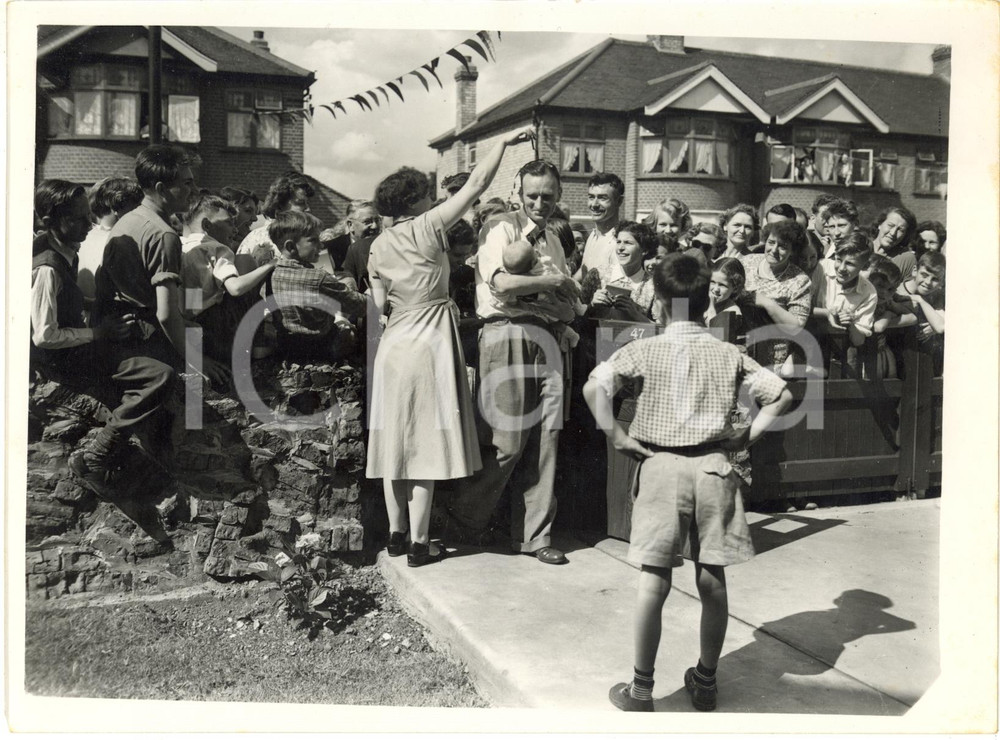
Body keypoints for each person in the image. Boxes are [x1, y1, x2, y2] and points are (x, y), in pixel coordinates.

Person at [583, 253, 793, 712]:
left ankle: (641, 689)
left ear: (658, 301)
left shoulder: (643, 348)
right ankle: (706, 680)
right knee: (711, 578)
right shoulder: (726, 351)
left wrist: (616, 434)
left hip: (660, 467)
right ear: (705, 305)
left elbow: (593, 386)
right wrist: (744, 436)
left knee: (653, 581)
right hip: (714, 469)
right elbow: (781, 394)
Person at [366, 128, 535, 567]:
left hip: (393, 343)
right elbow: (477, 184)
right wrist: (503, 144)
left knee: (393, 445)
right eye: (424, 194)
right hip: (427, 338)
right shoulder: (427, 226)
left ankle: (397, 535)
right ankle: (421, 544)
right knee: (422, 444)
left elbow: (381, 303)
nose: (430, 199)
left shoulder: (378, 245)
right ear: (413, 202)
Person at [444, 158, 581, 565]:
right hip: (508, 332)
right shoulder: (500, 227)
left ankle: (535, 536)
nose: (541, 203)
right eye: (533, 195)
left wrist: (554, 295)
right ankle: (463, 518)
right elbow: (501, 284)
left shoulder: (554, 240)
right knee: (504, 440)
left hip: (550, 338)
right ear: (518, 193)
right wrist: (553, 283)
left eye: (549, 196)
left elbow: (569, 307)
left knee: (546, 438)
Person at [74, 145, 198, 503]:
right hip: (133, 337)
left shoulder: (130, 219)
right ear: (161, 187)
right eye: (185, 184)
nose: (192, 191)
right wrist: (200, 362)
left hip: (118, 327)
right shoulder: (163, 234)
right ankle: (96, 456)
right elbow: (165, 314)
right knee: (166, 378)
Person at [180, 194, 275, 365]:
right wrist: (268, 266)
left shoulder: (183, 247)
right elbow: (235, 288)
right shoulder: (216, 248)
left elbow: (193, 291)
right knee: (251, 296)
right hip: (215, 325)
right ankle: (257, 350)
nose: (235, 229)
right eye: (229, 223)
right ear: (207, 225)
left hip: (190, 322)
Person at [268, 210, 365, 361]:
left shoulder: (272, 274)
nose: (321, 245)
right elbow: (359, 306)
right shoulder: (318, 278)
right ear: (291, 247)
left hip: (286, 349)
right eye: (313, 241)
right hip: (323, 349)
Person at [738, 220, 812, 370]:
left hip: (771, 356)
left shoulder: (800, 281)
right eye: (771, 242)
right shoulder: (746, 263)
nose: (774, 250)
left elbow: (796, 326)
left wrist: (767, 303)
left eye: (783, 247)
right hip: (738, 346)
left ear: (793, 251)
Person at [77, 177, 143, 308]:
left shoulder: (83, 239)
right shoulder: (123, 243)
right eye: (136, 207)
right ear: (117, 208)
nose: (140, 214)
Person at [812, 232, 877, 347]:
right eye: (838, 260)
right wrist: (826, 313)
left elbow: (859, 341)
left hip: (840, 346)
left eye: (850, 263)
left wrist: (851, 324)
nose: (841, 268)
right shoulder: (821, 267)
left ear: (864, 265)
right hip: (811, 336)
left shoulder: (869, 293)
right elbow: (800, 308)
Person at [237, 172, 314, 266]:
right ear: (280, 205)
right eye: (300, 203)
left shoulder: (306, 238)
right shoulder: (257, 239)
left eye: (307, 203)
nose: (308, 209)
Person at [590, 221, 659, 321]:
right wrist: (591, 305)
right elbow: (578, 319)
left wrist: (636, 314)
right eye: (618, 242)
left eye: (628, 243)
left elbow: (661, 330)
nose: (620, 248)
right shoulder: (597, 275)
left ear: (644, 250)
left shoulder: (654, 286)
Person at [897, 251, 946, 369]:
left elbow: (941, 325)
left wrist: (920, 301)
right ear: (915, 271)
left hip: (925, 359)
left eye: (935, 279)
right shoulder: (896, 291)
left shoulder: (937, 296)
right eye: (924, 275)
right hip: (899, 354)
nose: (928, 282)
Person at [576, 172, 625, 284]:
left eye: (603, 198)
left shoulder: (619, 242)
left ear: (619, 201)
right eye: (591, 197)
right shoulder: (593, 236)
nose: (594, 204)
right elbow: (585, 271)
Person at [704, 257, 746, 345]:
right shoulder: (701, 300)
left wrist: (711, 307)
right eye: (712, 282)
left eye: (722, 285)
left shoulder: (733, 311)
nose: (715, 289)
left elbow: (717, 340)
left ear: (735, 288)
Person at [872, 206, 918, 276]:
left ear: (905, 235)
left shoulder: (906, 259)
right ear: (880, 224)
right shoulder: (861, 247)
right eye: (890, 225)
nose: (893, 233)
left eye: (901, 230)